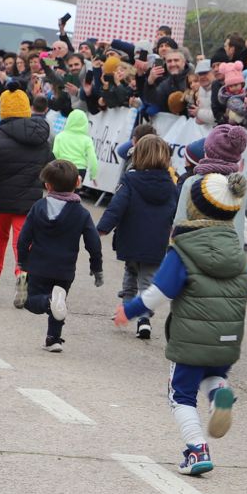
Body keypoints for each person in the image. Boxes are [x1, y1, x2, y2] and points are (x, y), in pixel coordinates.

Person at [117, 171, 247, 476]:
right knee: (211, 375)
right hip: (228, 341)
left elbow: (158, 293)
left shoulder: (183, 250)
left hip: (190, 341)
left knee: (180, 395)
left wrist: (129, 311)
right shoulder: (239, 254)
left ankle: (197, 450)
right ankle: (220, 392)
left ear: (192, 208)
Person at [97, 135, 181, 342]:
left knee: (130, 272)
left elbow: (117, 206)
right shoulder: (170, 185)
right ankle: (144, 318)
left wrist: (102, 228)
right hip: (157, 241)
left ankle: (126, 308)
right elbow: (176, 212)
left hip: (131, 237)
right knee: (148, 280)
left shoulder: (131, 179)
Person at [0, 88, 52, 298]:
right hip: (28, 201)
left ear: (4, 112)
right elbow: (51, 166)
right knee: (23, 239)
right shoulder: (41, 140)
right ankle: (22, 272)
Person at [17, 159, 103, 354]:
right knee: (60, 301)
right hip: (65, 268)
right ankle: (53, 339)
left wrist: (22, 260)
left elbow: (24, 237)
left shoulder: (39, 207)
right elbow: (93, 243)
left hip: (39, 265)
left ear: (47, 185)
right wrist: (96, 266)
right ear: (77, 184)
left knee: (31, 301)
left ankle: (48, 302)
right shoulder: (81, 213)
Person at [52, 106, 99, 185]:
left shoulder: (60, 136)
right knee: (73, 193)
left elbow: (55, 152)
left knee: (60, 190)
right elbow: (92, 158)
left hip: (62, 167)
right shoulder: (87, 140)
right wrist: (93, 175)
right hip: (79, 170)